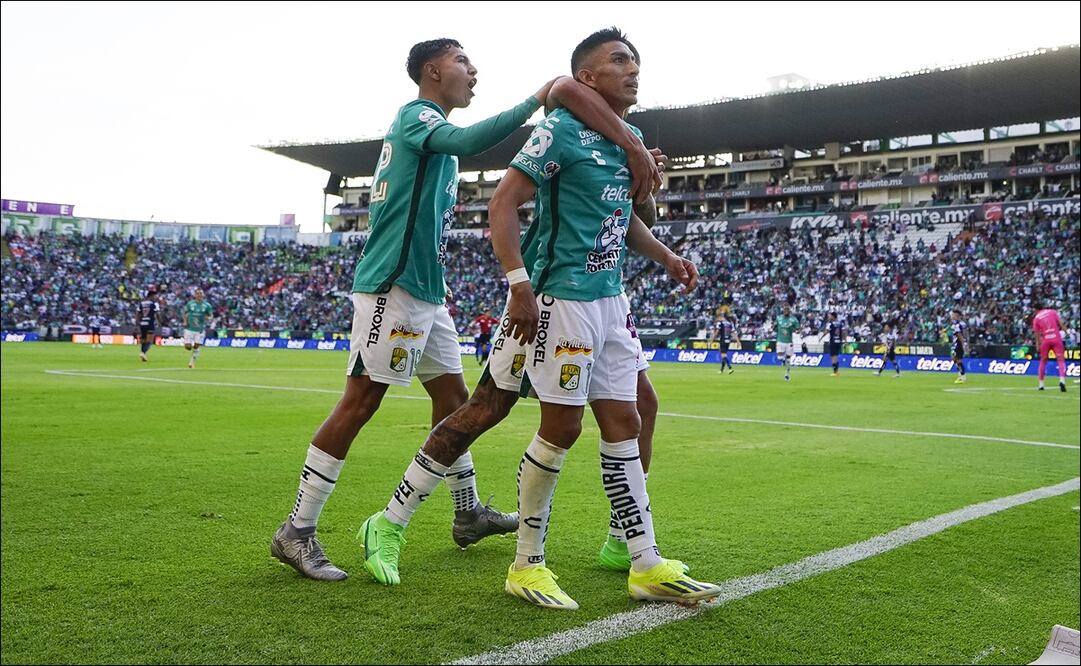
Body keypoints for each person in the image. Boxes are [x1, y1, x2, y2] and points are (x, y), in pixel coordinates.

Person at [271, 37, 661, 584]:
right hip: (392, 287)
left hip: (428, 292)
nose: (473, 71)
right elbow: (476, 139)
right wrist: (533, 101)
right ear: (433, 71)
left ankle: (467, 508)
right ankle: (298, 528)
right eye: (462, 62)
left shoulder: (438, 141)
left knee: (459, 402)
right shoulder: (418, 119)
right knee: (360, 402)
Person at [487, 27, 721, 610]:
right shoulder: (560, 130)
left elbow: (623, 219)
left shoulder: (631, 138)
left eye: (636, 60)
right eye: (619, 60)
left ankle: (643, 560)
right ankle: (526, 565)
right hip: (561, 297)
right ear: (588, 77)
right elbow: (503, 202)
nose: (633, 69)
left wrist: (666, 255)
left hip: (611, 300)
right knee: (561, 428)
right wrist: (518, 285)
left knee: (627, 419)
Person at [1032, 299, 1067, 392]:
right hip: (1056, 338)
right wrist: (1066, 331)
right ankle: (1062, 381)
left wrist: (1037, 345)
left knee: (1043, 361)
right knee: (1060, 360)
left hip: (1046, 340)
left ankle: (1041, 384)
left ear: (1035, 309)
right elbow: (1060, 324)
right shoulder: (1052, 312)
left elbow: (1037, 334)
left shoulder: (1036, 318)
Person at [181, 288, 213, 369]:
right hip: (189, 328)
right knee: (188, 347)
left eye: (201, 293)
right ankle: (193, 351)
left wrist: (209, 318)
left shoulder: (207, 305)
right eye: (197, 293)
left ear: (203, 295)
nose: (199, 295)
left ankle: (192, 362)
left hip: (200, 329)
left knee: (197, 346)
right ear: (195, 295)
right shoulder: (190, 304)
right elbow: (185, 313)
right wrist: (185, 321)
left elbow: (211, 315)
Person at [135, 288, 159, 362]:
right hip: (150, 323)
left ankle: (143, 354)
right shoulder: (154, 304)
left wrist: (137, 324)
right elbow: (157, 313)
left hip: (142, 323)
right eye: (155, 296)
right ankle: (143, 353)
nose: (156, 297)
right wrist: (161, 321)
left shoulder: (142, 303)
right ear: (151, 296)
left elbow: (138, 314)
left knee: (143, 340)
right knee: (149, 341)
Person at [775, 305, 799, 381]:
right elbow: (775, 327)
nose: (786, 311)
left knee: (788, 359)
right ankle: (783, 360)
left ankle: (787, 374)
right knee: (779, 357)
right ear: (783, 310)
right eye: (785, 309)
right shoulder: (779, 318)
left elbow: (797, 328)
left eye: (787, 310)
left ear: (789, 311)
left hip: (789, 341)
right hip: (780, 340)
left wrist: (795, 330)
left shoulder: (793, 320)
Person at [949, 309, 968, 384]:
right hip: (958, 343)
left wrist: (964, 344)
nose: (952, 316)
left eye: (953, 315)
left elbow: (959, 335)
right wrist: (966, 342)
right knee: (954, 358)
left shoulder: (957, 325)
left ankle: (962, 377)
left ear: (957, 316)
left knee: (957, 359)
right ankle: (961, 374)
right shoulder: (962, 324)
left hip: (958, 344)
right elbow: (966, 333)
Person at [824, 311, 844, 376]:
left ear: (833, 316)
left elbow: (826, 332)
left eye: (830, 316)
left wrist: (821, 337)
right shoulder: (840, 323)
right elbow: (844, 331)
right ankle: (837, 371)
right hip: (839, 341)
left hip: (833, 341)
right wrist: (845, 340)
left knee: (833, 357)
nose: (829, 317)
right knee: (836, 356)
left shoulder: (830, 323)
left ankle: (835, 372)